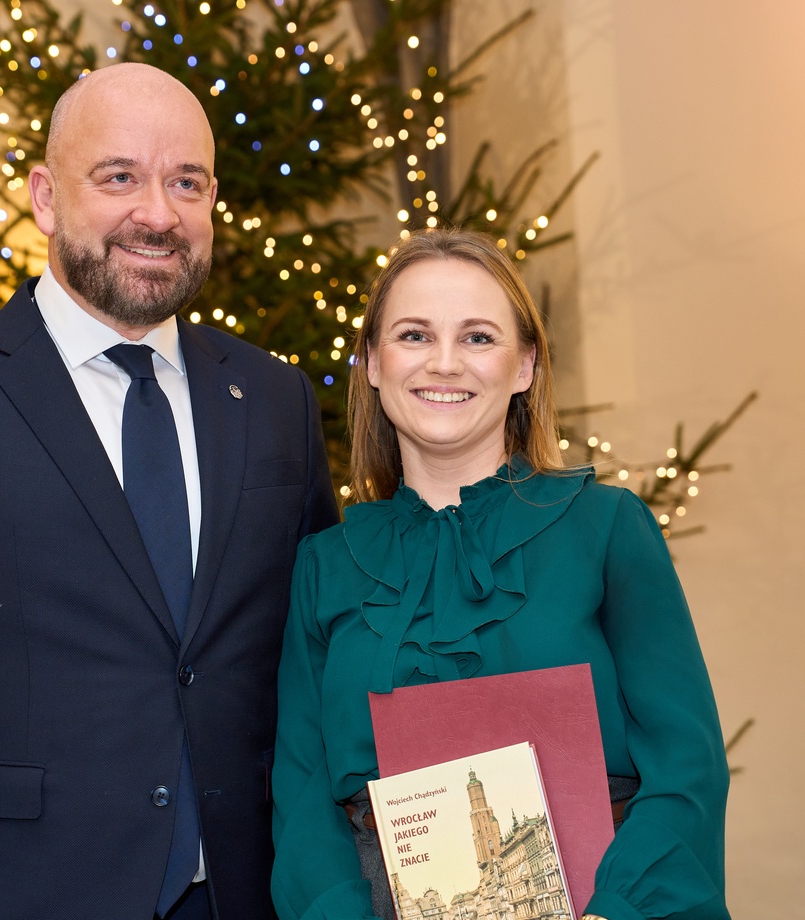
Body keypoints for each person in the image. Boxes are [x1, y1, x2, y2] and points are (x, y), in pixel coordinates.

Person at [0, 63, 338, 920]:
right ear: (46, 198)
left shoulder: (274, 398)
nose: (157, 213)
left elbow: (316, 660)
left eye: (186, 182)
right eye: (118, 177)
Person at [270, 229, 730, 920]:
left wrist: (617, 911)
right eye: (414, 335)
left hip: (601, 900)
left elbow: (686, 766)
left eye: (479, 337)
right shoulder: (324, 565)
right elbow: (302, 796)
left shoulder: (607, 528)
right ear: (372, 362)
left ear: (525, 366)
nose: (445, 362)